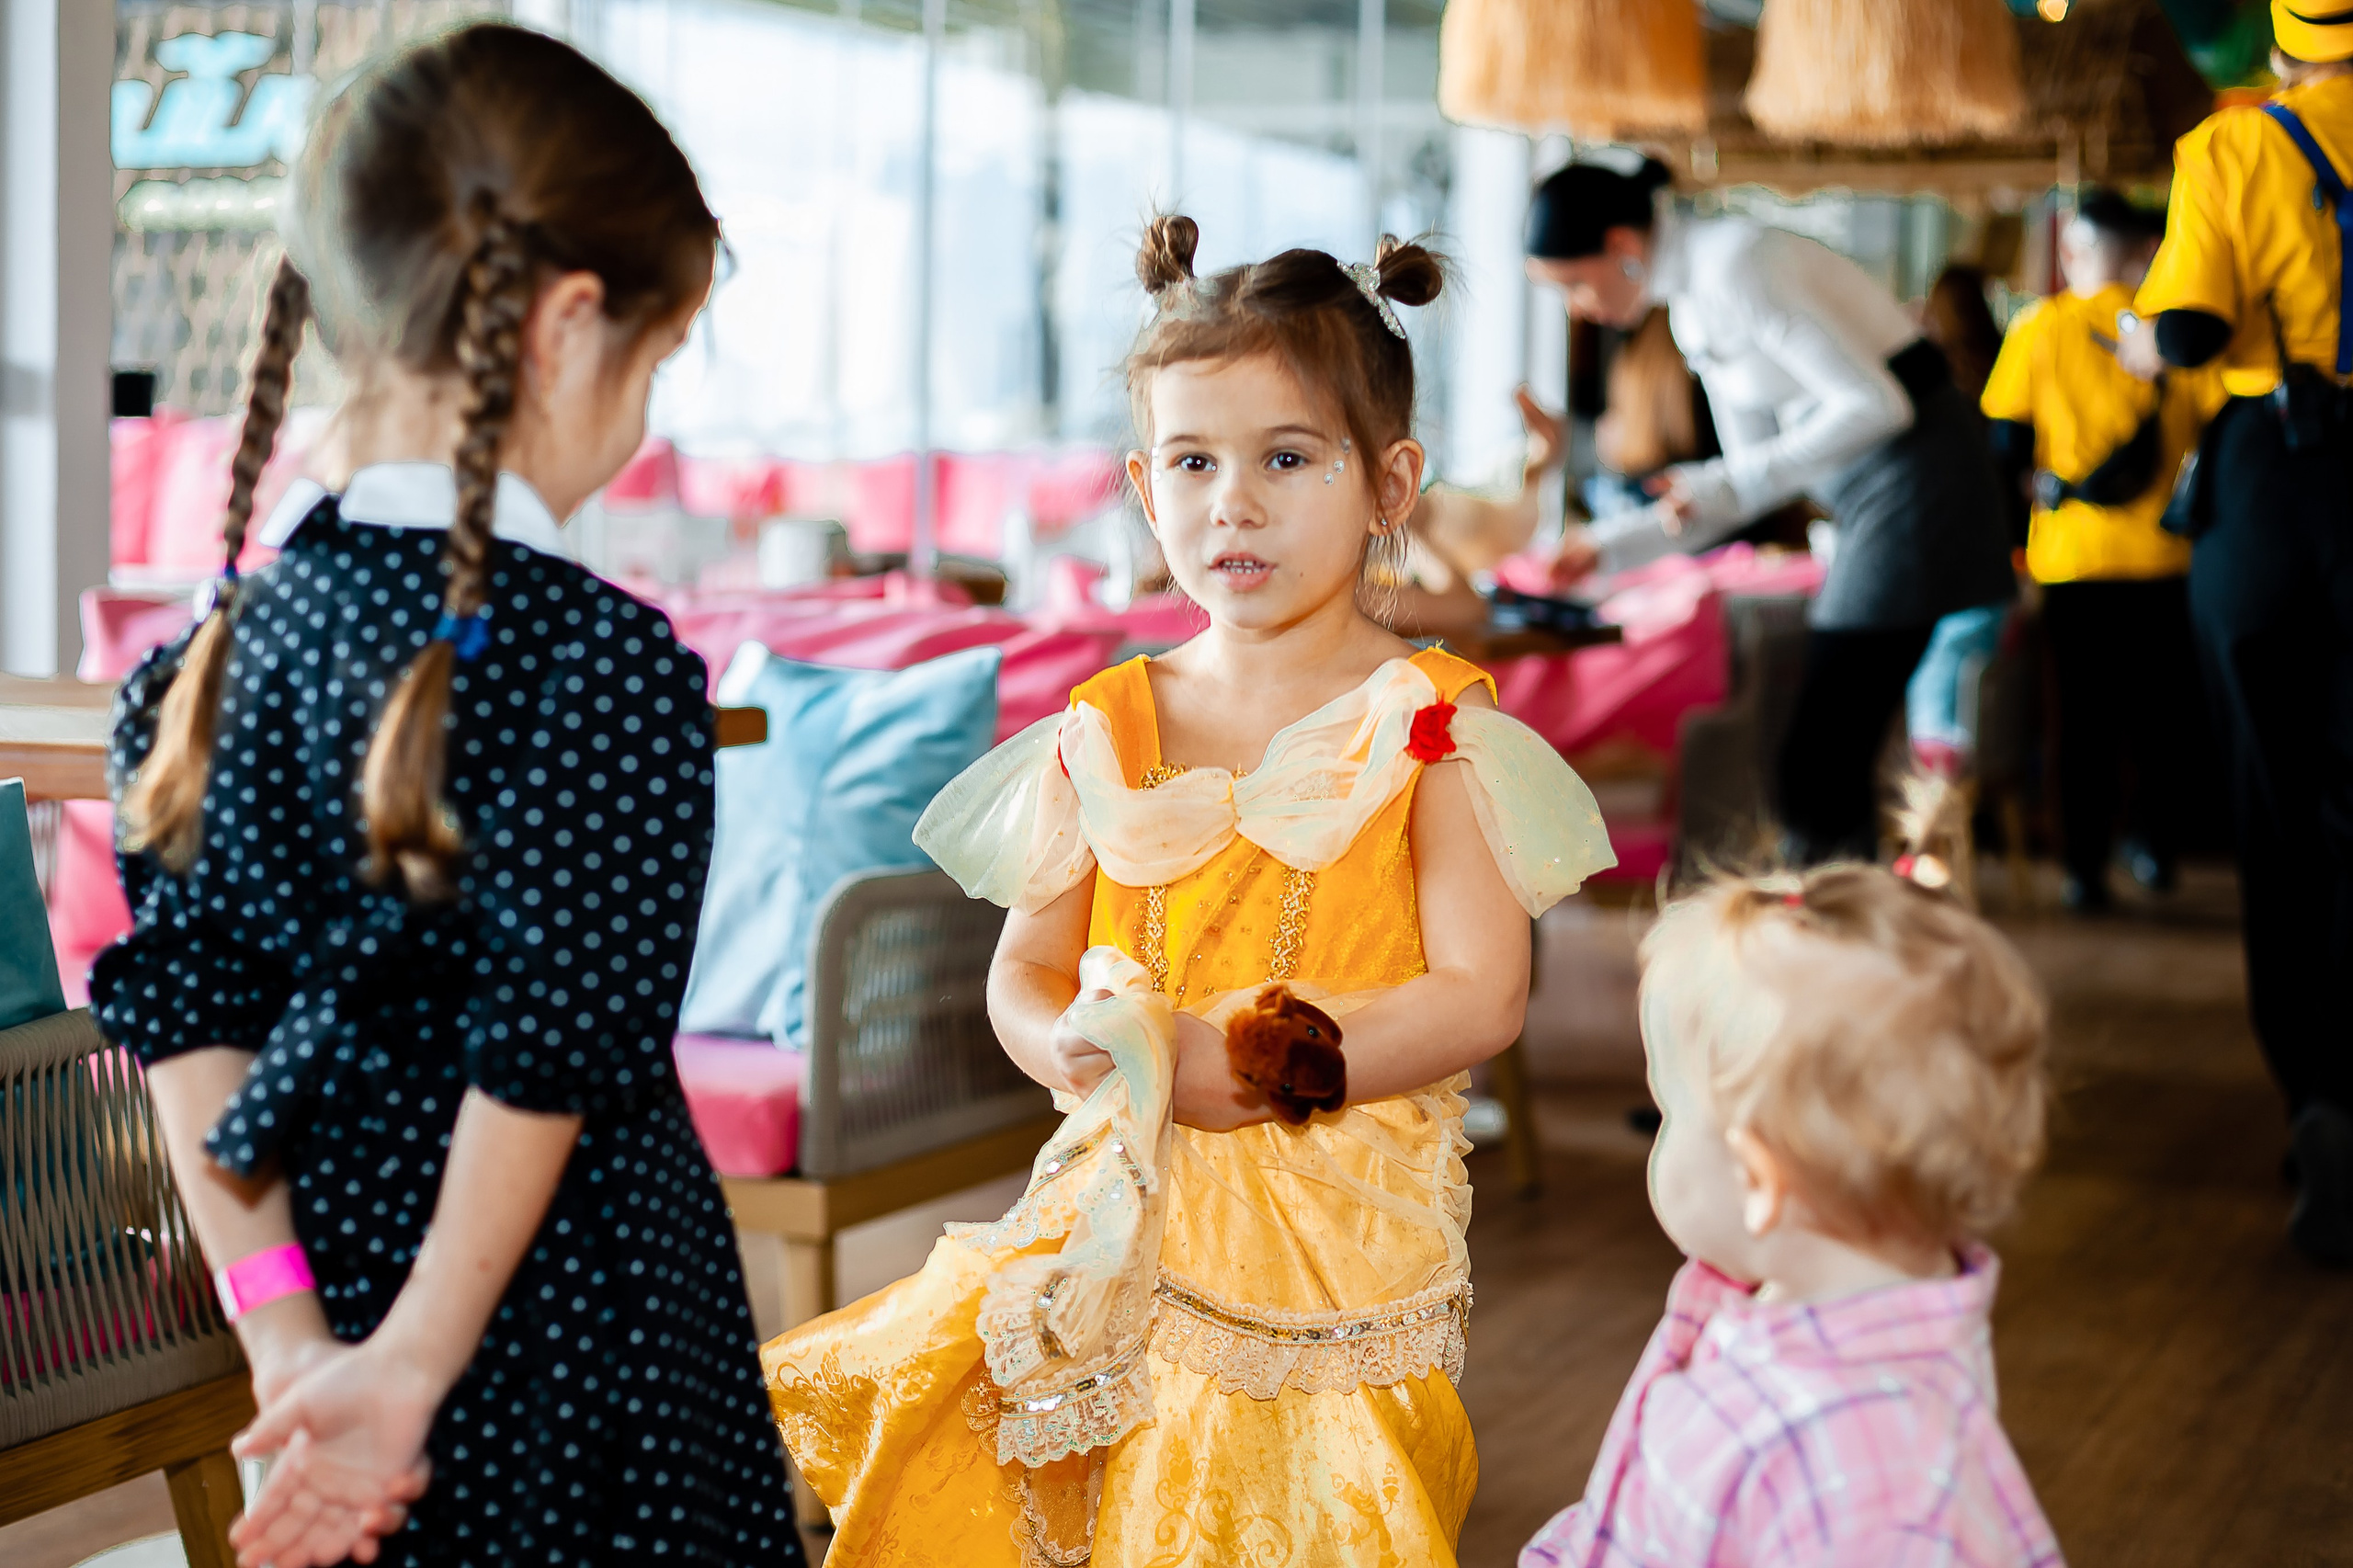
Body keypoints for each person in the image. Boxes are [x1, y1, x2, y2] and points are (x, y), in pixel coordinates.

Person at [763, 219, 1615, 1567]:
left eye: (1287, 458)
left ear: (1390, 482)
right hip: (1119, 1217)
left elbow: (1481, 989)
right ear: (1142, 489)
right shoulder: (1104, 723)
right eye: (1195, 462)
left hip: (1331, 1233)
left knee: (1320, 1513)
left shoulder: (1431, 724)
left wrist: (1277, 1065)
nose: (1236, 503)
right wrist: (1078, 1048)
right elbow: (1026, 970)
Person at [93, 25, 801, 1566]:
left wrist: (298, 1350)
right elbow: (544, 1059)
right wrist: (414, 1366)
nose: (648, 417)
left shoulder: (197, 666)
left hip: (333, 1318)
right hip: (583, 1337)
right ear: (563, 325)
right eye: (658, 361)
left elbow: (186, 1029)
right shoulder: (602, 666)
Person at [1521, 829, 2062, 1568]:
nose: (1659, 1139)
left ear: (1758, 1181)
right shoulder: (1769, 1309)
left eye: (1666, 1113)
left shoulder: (1878, 1491)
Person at [1526, 158, 2016, 864]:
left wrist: (1725, 484)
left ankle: (1839, 942)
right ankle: (1843, 935)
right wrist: (1606, 547)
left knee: (1817, 764)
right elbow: (1744, 486)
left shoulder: (1735, 267)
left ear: (1623, 249)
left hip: (1920, 487)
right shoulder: (1695, 310)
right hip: (1876, 501)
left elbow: (1878, 405)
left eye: (1573, 284)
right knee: (1820, 765)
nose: (1577, 307)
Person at [2114, 0, 2353, 1266]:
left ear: (2283, 44)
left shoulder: (2239, 145)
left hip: (2278, 476)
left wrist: (2140, 341)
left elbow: (2193, 329)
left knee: (2280, 799)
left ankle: (2319, 1097)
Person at [1983, 190, 2213, 910]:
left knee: (2077, 722)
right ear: (2144, 252)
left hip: (2073, 560)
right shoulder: (2173, 338)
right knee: (2159, 719)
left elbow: (2005, 446)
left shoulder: (2038, 328)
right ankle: (2156, 848)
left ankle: (2082, 865)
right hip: (2166, 561)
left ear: (2071, 251)